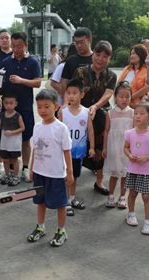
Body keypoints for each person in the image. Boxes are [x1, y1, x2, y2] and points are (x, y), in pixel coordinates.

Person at [27, 89, 73, 247]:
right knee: (40, 202)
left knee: (60, 203)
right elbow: (34, 149)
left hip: (56, 174)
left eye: (46, 106)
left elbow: (67, 151)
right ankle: (40, 227)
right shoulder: (37, 126)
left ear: (56, 106)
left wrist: (69, 172)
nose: (42, 110)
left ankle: (61, 231)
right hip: (40, 173)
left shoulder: (61, 128)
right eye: (39, 107)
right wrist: (31, 168)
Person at [73, 40, 117, 195]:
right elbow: (74, 91)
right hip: (80, 114)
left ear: (109, 59)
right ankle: (71, 183)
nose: (100, 59)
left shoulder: (111, 75)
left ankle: (99, 181)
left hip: (101, 115)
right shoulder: (80, 72)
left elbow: (109, 93)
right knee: (77, 147)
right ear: (94, 55)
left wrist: (96, 106)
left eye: (105, 56)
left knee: (100, 148)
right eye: (98, 54)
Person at [0, 32, 42, 182]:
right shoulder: (6, 61)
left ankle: (25, 167)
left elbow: (37, 82)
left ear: (26, 45)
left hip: (24, 106)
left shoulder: (32, 62)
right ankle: (10, 170)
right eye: (14, 46)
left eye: (19, 46)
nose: (16, 49)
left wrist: (21, 80)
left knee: (25, 139)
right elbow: (0, 82)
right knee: (8, 137)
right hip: (8, 108)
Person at [59, 79, 95, 216]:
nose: (71, 96)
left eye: (75, 93)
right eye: (68, 93)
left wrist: (91, 147)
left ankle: (72, 198)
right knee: (65, 176)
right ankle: (65, 201)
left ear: (82, 95)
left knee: (75, 176)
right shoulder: (63, 112)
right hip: (65, 152)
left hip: (78, 151)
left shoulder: (86, 112)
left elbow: (90, 131)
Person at [124, 102, 149, 234]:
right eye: (136, 114)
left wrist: (146, 158)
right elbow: (126, 147)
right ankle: (131, 214)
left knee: (146, 196)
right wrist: (129, 155)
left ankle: (148, 222)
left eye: (142, 113)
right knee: (132, 193)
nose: (138, 116)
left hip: (147, 171)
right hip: (133, 169)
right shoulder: (129, 133)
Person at [103, 81, 134, 209]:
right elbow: (106, 130)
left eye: (127, 96)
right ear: (115, 97)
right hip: (114, 148)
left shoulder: (132, 113)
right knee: (114, 174)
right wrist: (104, 147)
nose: (124, 99)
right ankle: (111, 195)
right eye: (121, 96)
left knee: (125, 174)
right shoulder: (110, 113)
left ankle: (122, 196)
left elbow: (135, 132)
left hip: (127, 149)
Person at [0, 91, 25, 186]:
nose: (8, 105)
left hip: (14, 142)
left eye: (11, 103)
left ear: (15, 104)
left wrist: (12, 132)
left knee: (14, 159)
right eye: (6, 103)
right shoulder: (2, 115)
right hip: (4, 142)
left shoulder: (17, 116)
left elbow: (22, 128)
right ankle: (7, 174)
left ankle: (16, 176)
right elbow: (0, 126)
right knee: (5, 159)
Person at [60, 27, 93, 94]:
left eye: (82, 42)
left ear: (89, 40)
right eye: (76, 43)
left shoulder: (98, 60)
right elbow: (64, 85)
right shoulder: (70, 61)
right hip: (75, 102)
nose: (79, 45)